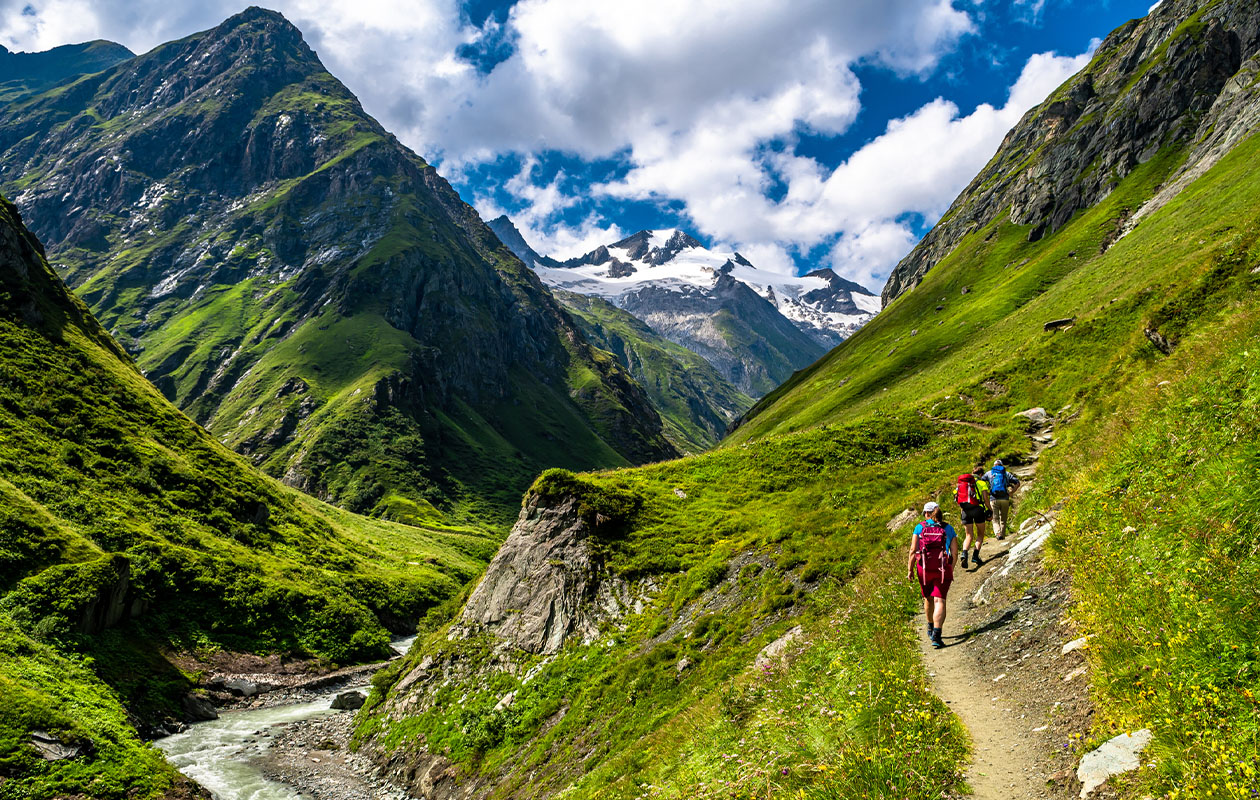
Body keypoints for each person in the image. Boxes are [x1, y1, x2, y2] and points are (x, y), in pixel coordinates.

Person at [907, 501, 957, 649]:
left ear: (927, 514)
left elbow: (912, 550)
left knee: (927, 597)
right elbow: (954, 552)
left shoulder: (919, 527)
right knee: (939, 600)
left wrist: (910, 570)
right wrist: (950, 569)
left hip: (924, 568)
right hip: (942, 567)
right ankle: (937, 634)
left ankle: (929, 627)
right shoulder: (948, 528)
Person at [957, 470, 988, 569]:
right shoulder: (981, 483)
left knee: (968, 535)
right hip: (978, 509)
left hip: (965, 510)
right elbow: (985, 499)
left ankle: (964, 554)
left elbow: (958, 499)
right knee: (980, 534)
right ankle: (975, 556)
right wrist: (990, 510)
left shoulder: (961, 485)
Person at [984, 459, 1021, 540]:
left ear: (994, 465)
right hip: (1005, 498)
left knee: (995, 518)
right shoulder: (1006, 473)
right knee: (1003, 519)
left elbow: (980, 482)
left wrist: (986, 493)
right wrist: (1011, 492)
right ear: (1002, 465)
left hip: (993, 498)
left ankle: (998, 533)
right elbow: (1017, 483)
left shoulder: (989, 473)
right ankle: (1002, 536)